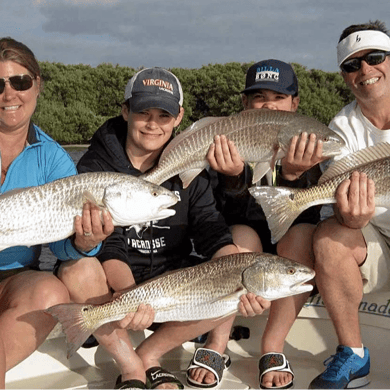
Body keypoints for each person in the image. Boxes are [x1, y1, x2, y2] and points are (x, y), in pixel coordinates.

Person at [57, 67, 269, 390]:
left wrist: (240, 273)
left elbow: (210, 227)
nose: (153, 124)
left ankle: (150, 354)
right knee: (75, 269)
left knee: (237, 268)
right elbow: (109, 242)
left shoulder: (192, 162)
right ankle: (130, 367)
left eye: (164, 115)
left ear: (179, 117)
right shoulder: (95, 166)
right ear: (126, 110)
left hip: (174, 282)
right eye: (143, 112)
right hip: (117, 284)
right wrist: (132, 299)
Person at [187, 60, 326, 390]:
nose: (267, 104)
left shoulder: (311, 144)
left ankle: (272, 347)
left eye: (278, 97)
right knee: (239, 235)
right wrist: (232, 178)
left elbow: (308, 215)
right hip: (247, 240)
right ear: (245, 105)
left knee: (303, 236)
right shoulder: (229, 140)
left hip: (288, 242)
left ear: (294, 104)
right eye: (258, 97)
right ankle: (217, 343)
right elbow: (217, 217)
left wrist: (295, 176)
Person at [0, 37, 112, 390]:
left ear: (37, 85)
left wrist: (84, 242)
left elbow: (61, 248)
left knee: (51, 291)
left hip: (14, 278)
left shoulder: (54, 158)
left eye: (20, 82)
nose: (9, 94)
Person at [307, 20, 390, 390]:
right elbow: (340, 208)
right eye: (352, 65)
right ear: (343, 76)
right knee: (329, 235)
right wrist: (349, 216)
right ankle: (354, 355)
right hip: (378, 241)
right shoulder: (340, 127)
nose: (365, 71)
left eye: (375, 57)